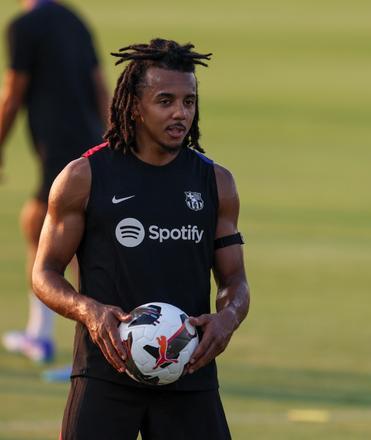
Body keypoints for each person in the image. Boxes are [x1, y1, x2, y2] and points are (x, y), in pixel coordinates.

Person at [31, 38, 249, 439]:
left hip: (189, 375)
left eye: (188, 101)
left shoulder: (216, 183)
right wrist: (88, 311)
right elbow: (44, 273)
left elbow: (235, 281)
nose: (180, 113)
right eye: (165, 101)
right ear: (134, 105)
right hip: (105, 376)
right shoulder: (84, 177)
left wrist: (227, 318)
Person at [0, 0, 109, 363]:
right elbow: (100, 88)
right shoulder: (74, 19)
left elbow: (13, 92)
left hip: (59, 148)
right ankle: (40, 334)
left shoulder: (23, 27)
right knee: (36, 225)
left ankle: (101, 347)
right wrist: (113, 141)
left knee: (73, 244)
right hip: (87, 141)